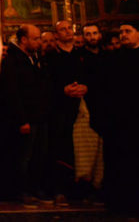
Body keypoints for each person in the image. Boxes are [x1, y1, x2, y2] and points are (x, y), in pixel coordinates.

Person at [0, 25, 51, 207]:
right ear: (24, 40)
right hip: (24, 118)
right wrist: (22, 120)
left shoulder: (33, 57)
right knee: (23, 156)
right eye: (36, 38)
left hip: (38, 116)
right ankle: (21, 190)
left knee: (38, 155)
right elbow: (12, 92)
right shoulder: (12, 59)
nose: (39, 42)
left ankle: (34, 188)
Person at [101, 23, 139, 217]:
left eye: (128, 31)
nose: (123, 35)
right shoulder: (111, 58)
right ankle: (120, 205)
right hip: (119, 123)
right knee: (120, 164)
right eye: (121, 32)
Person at [45, 20, 86, 206]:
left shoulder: (81, 55)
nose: (68, 32)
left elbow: (91, 77)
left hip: (80, 107)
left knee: (80, 149)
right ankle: (59, 189)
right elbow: (46, 83)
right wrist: (63, 90)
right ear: (56, 35)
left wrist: (85, 87)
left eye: (70, 28)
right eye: (63, 29)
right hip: (58, 109)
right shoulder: (50, 57)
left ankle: (79, 190)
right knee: (60, 148)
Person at [73, 24, 105, 202]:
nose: (92, 37)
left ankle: (99, 187)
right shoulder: (79, 57)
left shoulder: (107, 55)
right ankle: (85, 189)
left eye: (95, 33)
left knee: (102, 153)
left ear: (99, 35)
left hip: (105, 108)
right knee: (86, 153)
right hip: (86, 109)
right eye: (88, 34)